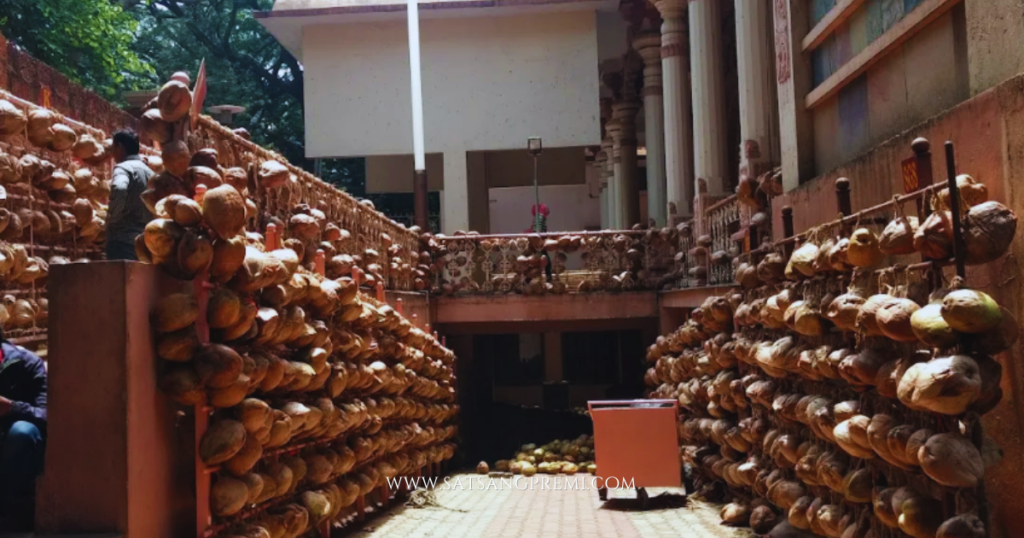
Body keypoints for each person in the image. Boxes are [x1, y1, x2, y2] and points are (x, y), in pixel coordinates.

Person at [0, 328, 47, 530]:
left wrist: (11, 408)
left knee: (22, 432)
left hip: (15, 442)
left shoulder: (28, 363)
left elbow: (45, 413)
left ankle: (7, 510)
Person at [106, 129, 154, 261]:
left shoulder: (123, 167)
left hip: (123, 241)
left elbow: (119, 188)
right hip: (146, 244)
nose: (112, 153)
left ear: (120, 147)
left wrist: (112, 218)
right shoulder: (151, 173)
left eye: (113, 148)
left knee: (121, 280)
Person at [530, 203, 552, 282]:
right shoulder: (540, 217)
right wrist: (542, 240)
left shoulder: (538, 217)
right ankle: (546, 280)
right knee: (546, 262)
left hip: (538, 242)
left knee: (541, 262)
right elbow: (538, 230)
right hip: (539, 243)